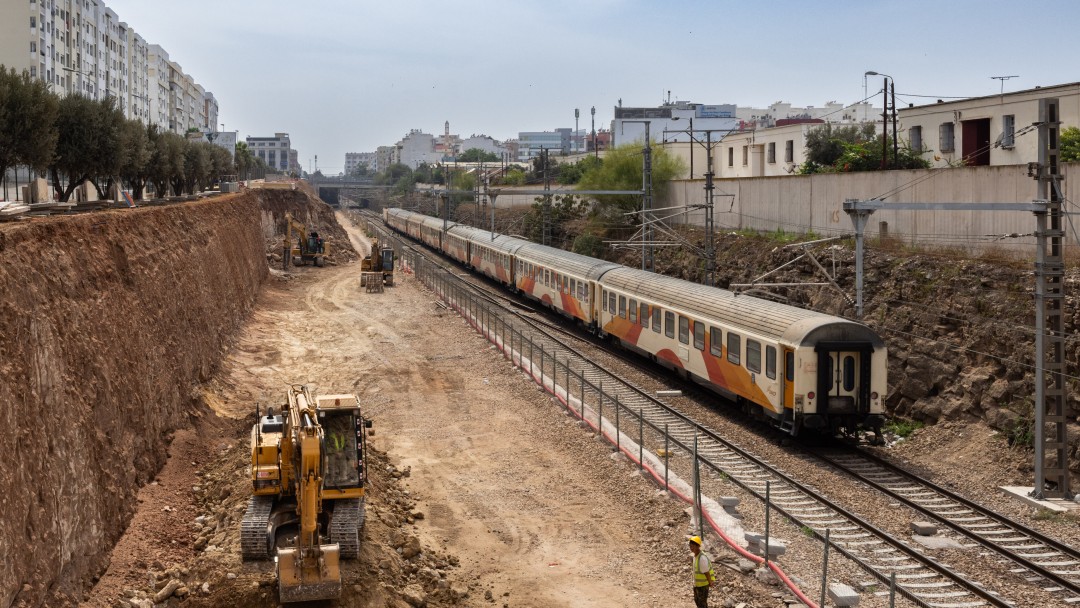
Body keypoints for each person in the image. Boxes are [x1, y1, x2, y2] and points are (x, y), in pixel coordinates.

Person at [688, 535, 716, 607]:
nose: (691, 548)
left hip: (703, 586)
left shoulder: (702, 558)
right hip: (697, 584)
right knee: (697, 600)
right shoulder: (695, 556)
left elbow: (706, 573)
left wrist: (710, 582)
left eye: (693, 546)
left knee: (702, 603)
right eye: (690, 546)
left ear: (698, 546)